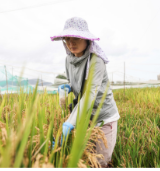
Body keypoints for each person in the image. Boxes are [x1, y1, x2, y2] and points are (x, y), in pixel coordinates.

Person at [50, 17, 120, 168]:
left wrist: (69, 123)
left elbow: (90, 95)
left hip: (103, 117)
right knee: (87, 157)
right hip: (85, 117)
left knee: (100, 162)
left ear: (86, 39)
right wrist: (68, 87)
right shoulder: (68, 59)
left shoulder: (96, 60)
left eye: (75, 38)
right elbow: (78, 81)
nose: (70, 43)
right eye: (67, 39)